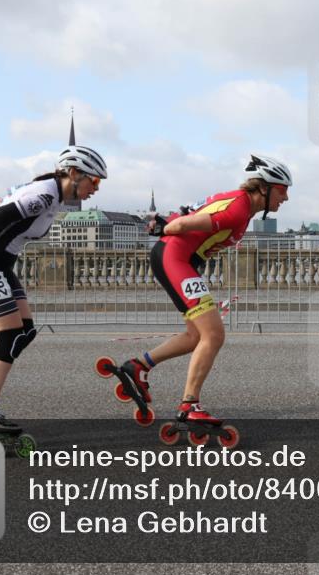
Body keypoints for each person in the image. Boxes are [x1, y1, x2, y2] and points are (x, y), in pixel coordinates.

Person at [110, 154, 291, 426]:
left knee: (196, 335)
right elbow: (182, 224)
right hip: (176, 258)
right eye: (282, 191)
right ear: (264, 188)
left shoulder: (236, 201)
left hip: (177, 259)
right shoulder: (239, 209)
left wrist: (165, 222)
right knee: (214, 334)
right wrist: (164, 226)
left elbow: (186, 211)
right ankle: (189, 404)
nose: (286, 198)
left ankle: (138, 366)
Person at [0, 146, 107, 434]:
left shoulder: (54, 195)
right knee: (9, 335)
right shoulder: (44, 195)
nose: (96, 189)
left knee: (25, 331)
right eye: (94, 181)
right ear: (74, 173)